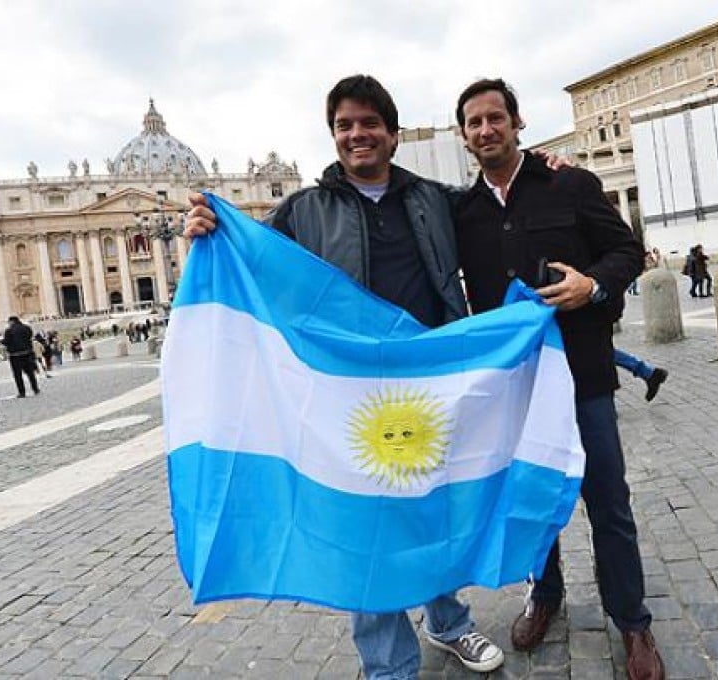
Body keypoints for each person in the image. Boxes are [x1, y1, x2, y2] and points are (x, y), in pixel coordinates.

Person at [185, 74, 504, 680]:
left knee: (431, 506)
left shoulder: (433, 198)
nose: (357, 134)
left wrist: (545, 168)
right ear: (333, 136)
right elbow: (249, 259)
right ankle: (386, 664)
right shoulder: (303, 210)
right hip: (344, 394)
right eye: (344, 125)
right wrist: (205, 230)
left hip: (426, 381)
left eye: (368, 123)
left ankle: (449, 623)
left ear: (392, 133)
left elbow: (498, 208)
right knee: (363, 525)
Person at [452, 78, 664, 679]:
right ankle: (545, 595)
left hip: (583, 375)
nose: (487, 129)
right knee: (531, 498)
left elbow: (625, 250)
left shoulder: (571, 182)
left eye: (497, 117)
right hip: (514, 388)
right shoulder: (460, 211)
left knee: (609, 504)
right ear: (465, 136)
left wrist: (590, 285)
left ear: (518, 123)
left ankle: (633, 622)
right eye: (475, 122)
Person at [2, 316, 41, 398]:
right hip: (27, 353)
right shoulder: (27, 328)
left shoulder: (9, 330)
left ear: (11, 322)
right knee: (30, 373)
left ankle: (22, 392)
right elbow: (30, 337)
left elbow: (6, 342)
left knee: (18, 375)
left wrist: (2, 341)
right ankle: (35, 388)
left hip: (15, 355)